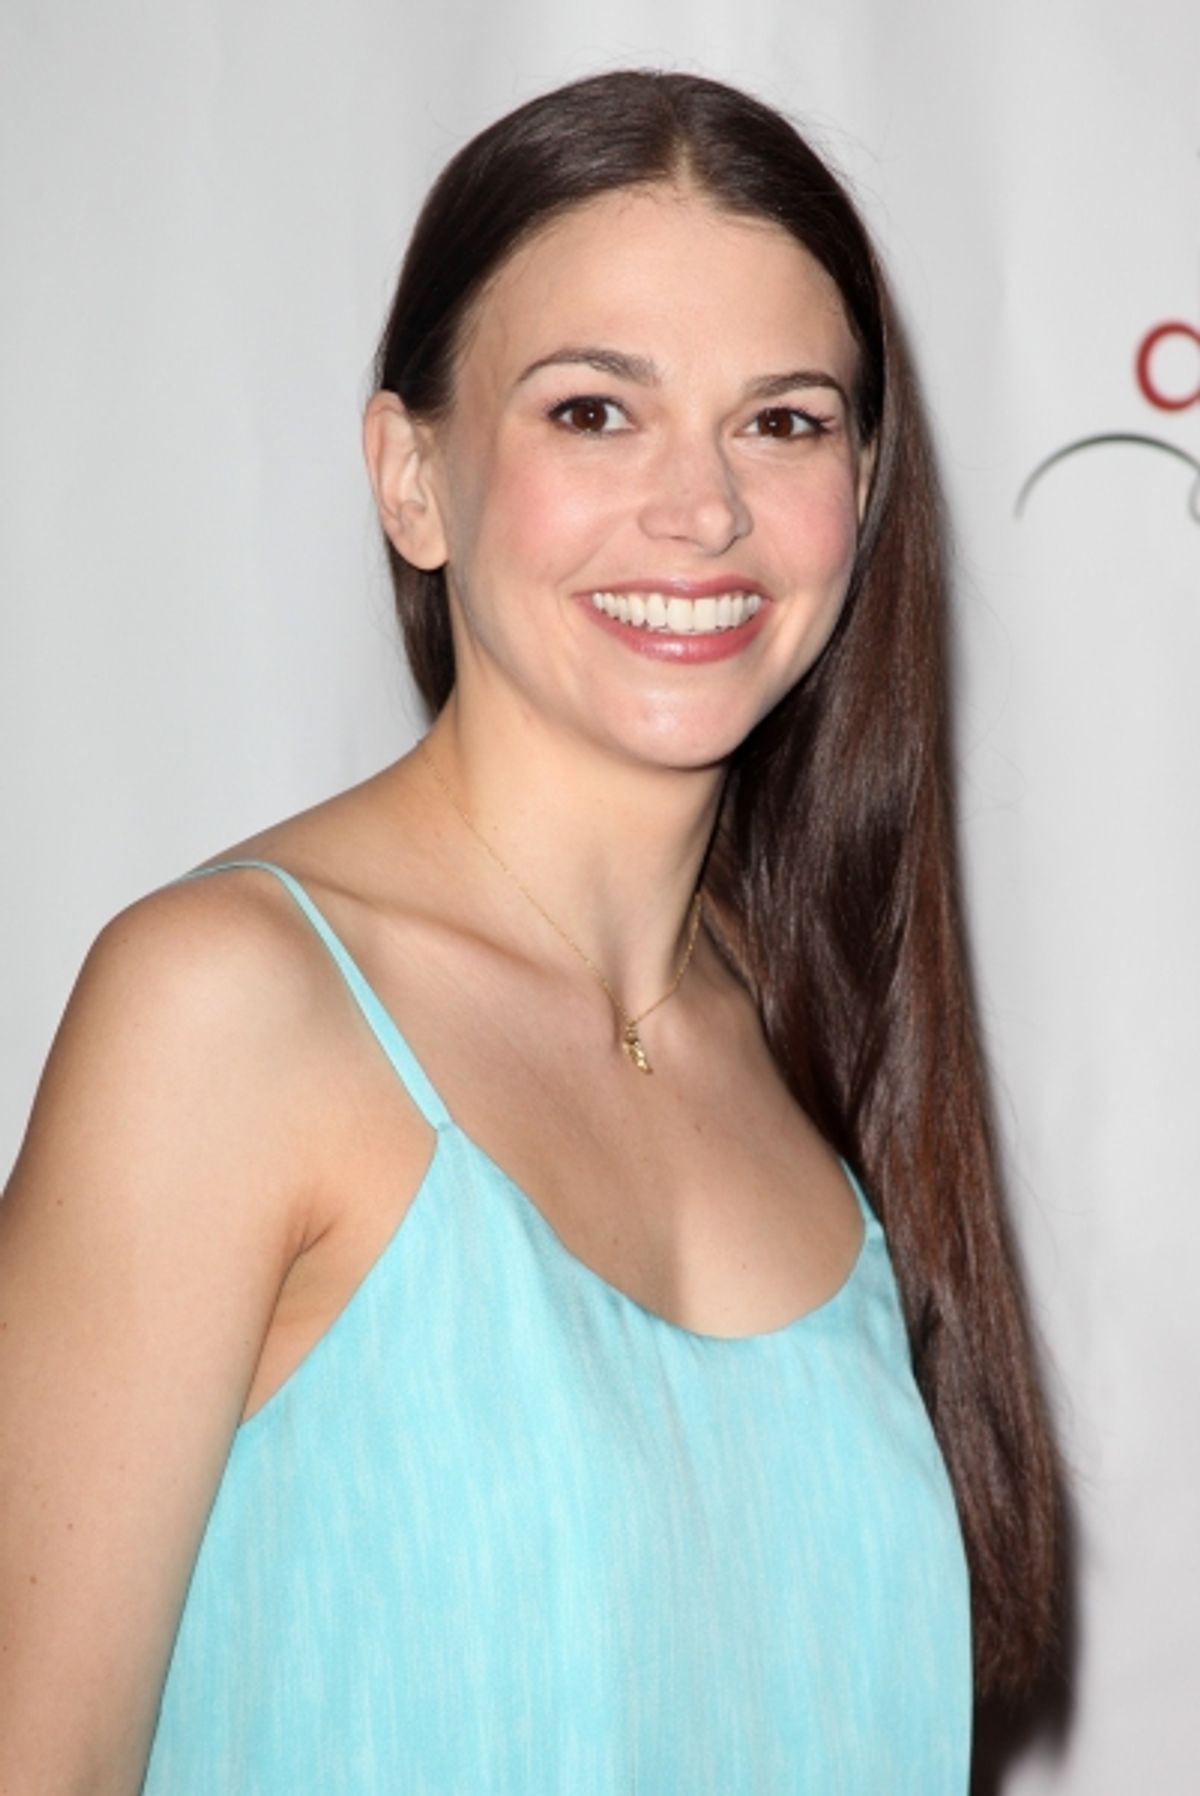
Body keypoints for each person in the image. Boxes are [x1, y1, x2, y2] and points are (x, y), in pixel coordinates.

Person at [0, 68, 1063, 1793]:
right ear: (411, 477)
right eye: (593, 411)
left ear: (861, 500)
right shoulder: (229, 1012)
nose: (701, 508)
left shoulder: (825, 1033)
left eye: (783, 421)